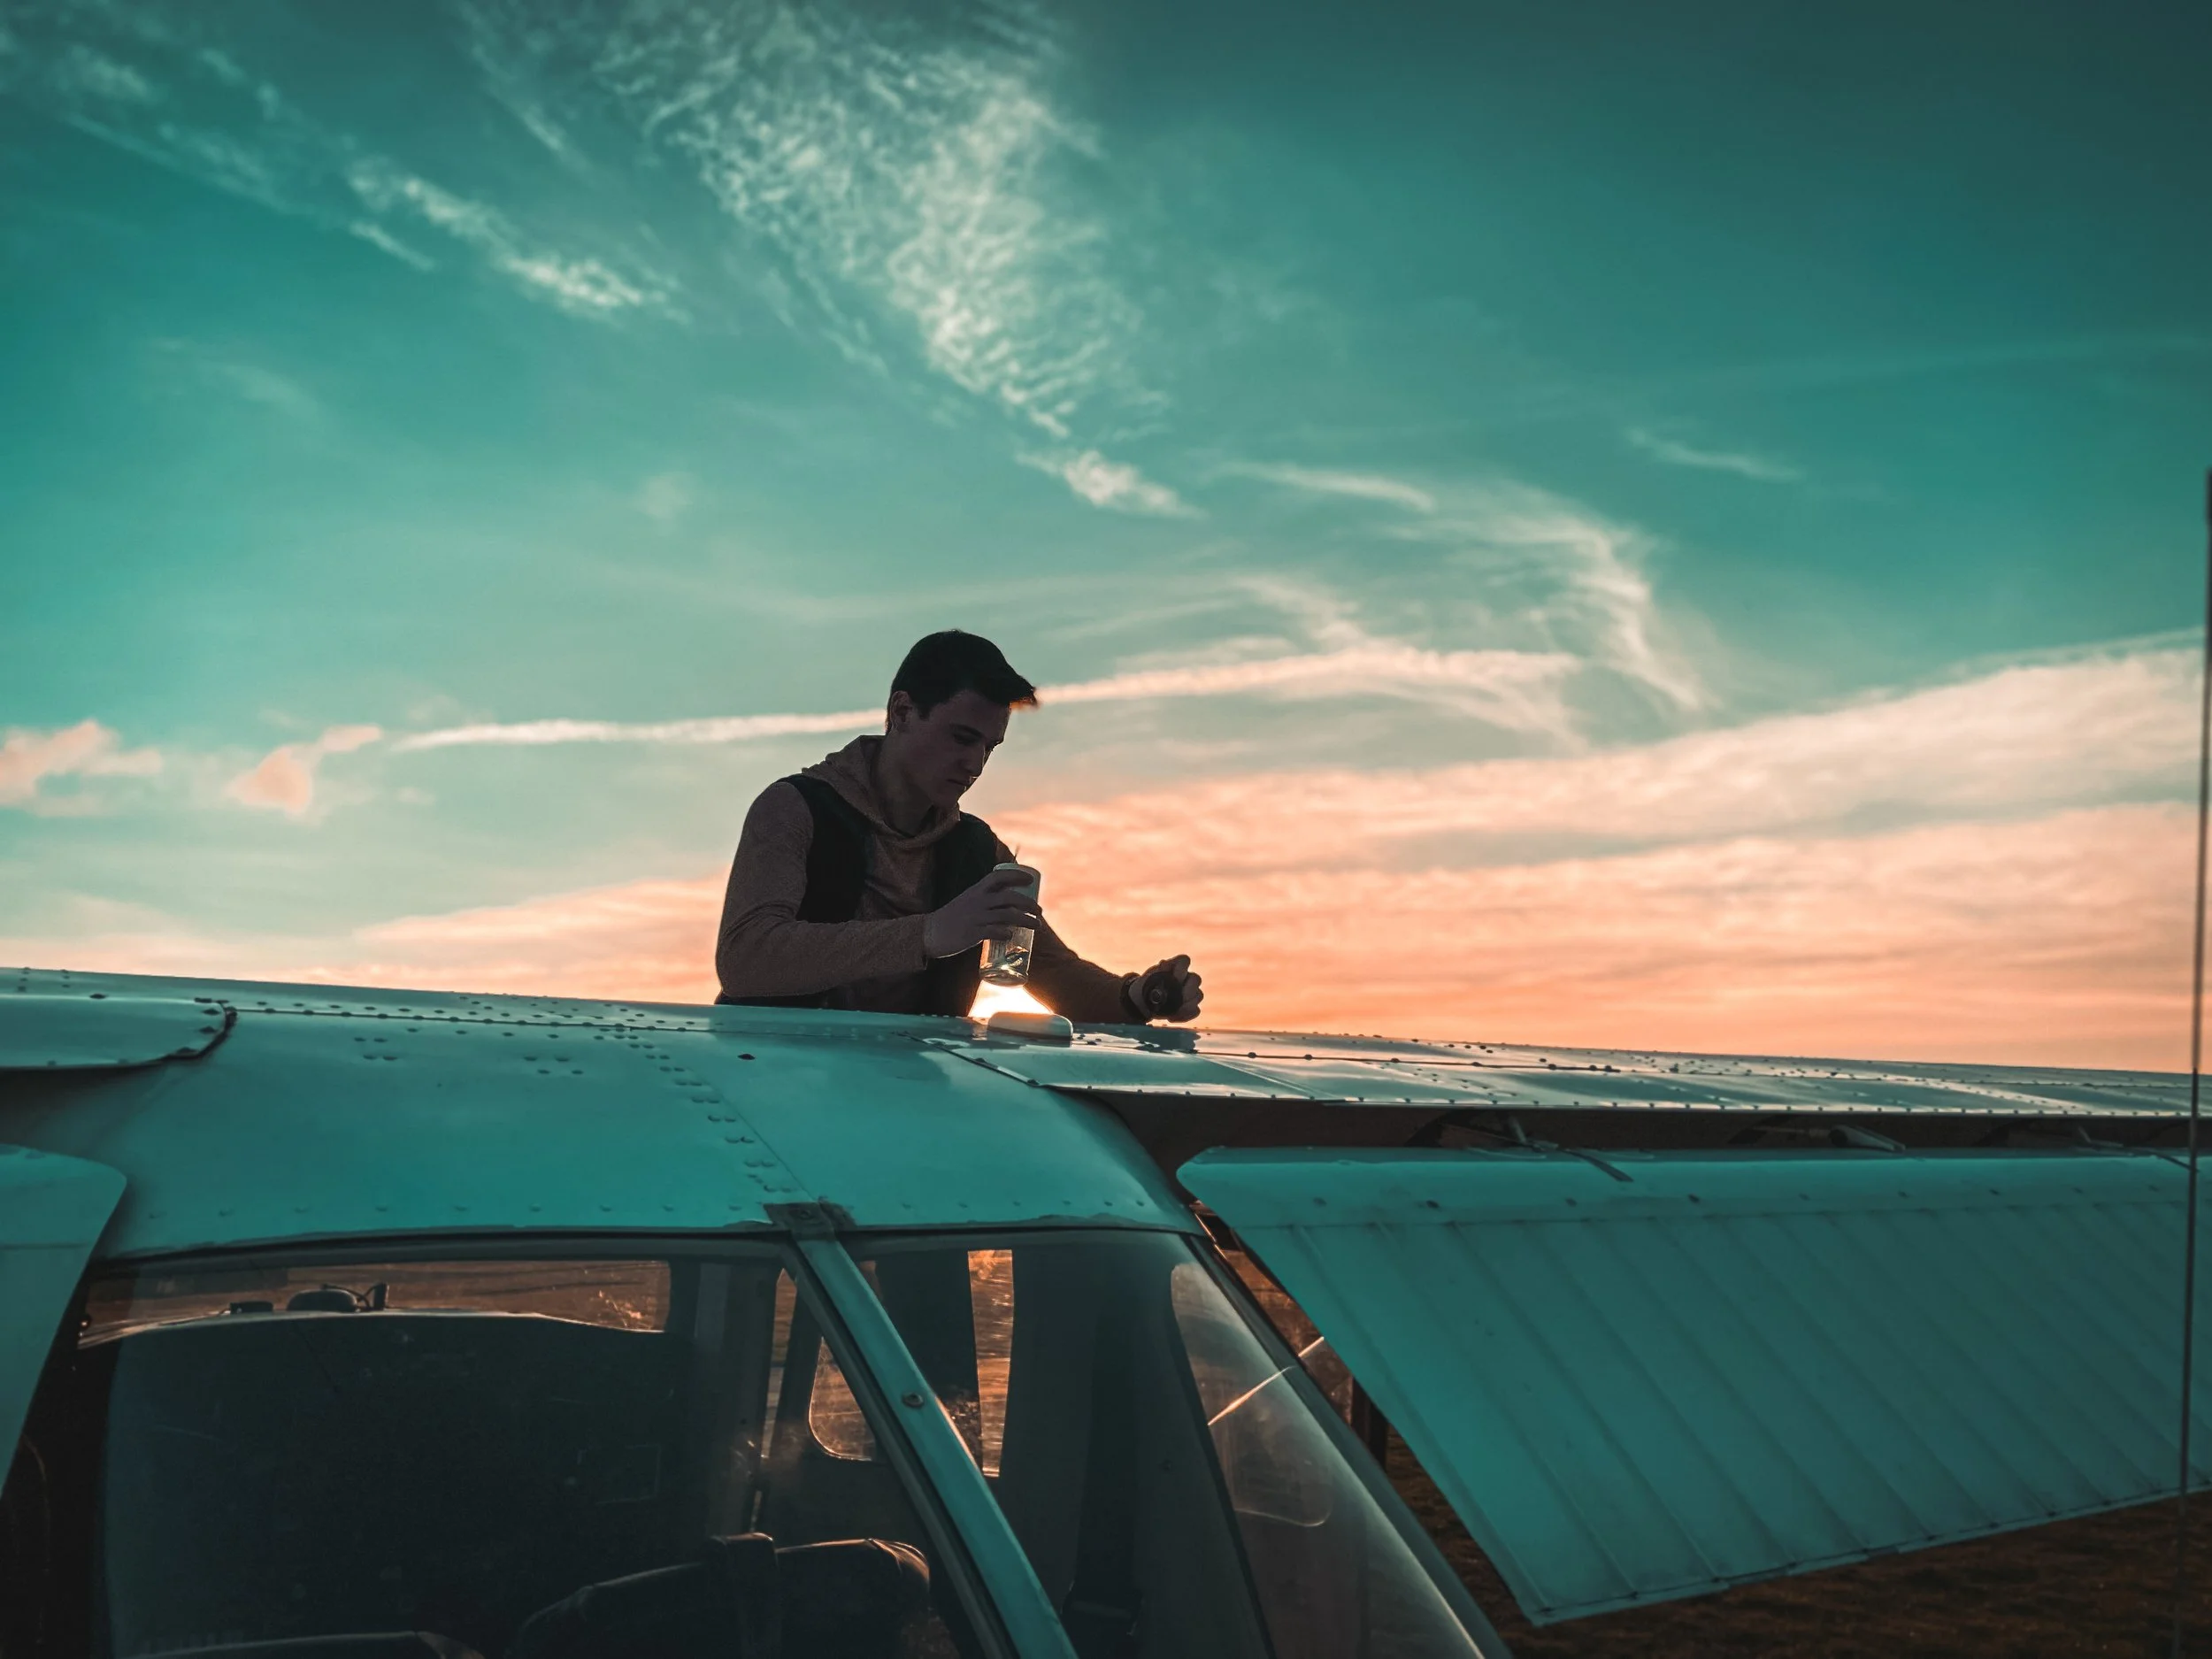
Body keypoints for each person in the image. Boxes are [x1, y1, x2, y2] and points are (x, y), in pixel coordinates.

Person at [715, 630, 1204, 1023]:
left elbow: (1053, 974)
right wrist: (930, 934)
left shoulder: (980, 853)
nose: (975, 763)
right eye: (962, 738)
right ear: (902, 712)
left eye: (990, 747)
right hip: (775, 1088)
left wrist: (1139, 996)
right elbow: (745, 961)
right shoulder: (793, 808)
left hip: (916, 1093)